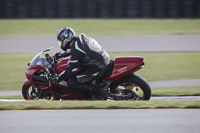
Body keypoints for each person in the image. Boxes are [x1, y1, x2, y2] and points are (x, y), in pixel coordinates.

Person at [55, 27, 110, 99]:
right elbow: (75, 51)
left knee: (72, 83)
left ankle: (99, 92)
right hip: (104, 61)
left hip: (99, 69)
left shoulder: (76, 50)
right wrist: (62, 55)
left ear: (66, 39)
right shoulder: (81, 39)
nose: (61, 43)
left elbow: (71, 71)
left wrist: (58, 77)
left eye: (61, 41)